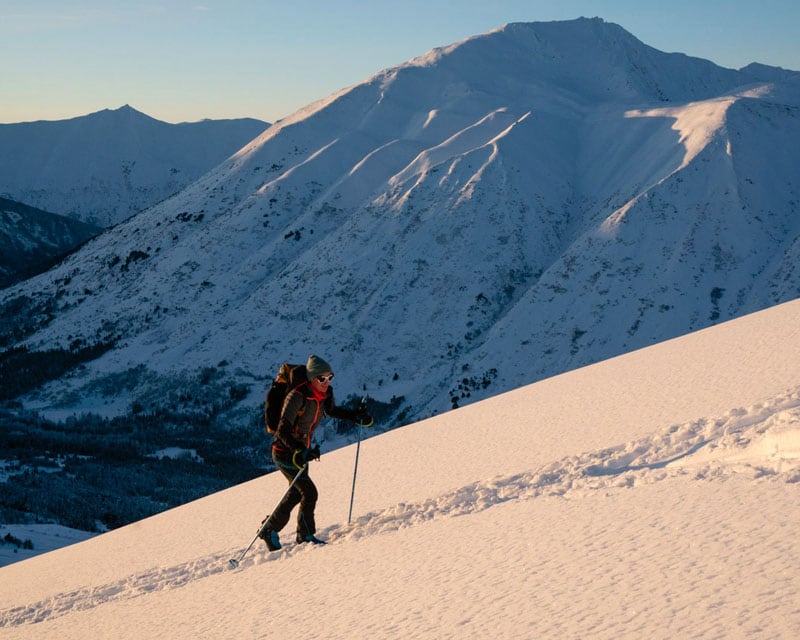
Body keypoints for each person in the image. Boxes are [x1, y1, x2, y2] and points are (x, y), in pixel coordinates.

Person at [259, 355, 372, 550]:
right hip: (284, 452)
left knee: (297, 492)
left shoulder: (324, 396)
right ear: (312, 379)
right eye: (322, 378)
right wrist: (298, 450)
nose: (326, 382)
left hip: (300, 452)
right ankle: (305, 536)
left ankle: (270, 529)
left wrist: (356, 416)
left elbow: (333, 411)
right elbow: (282, 429)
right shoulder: (297, 396)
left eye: (330, 378)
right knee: (309, 493)